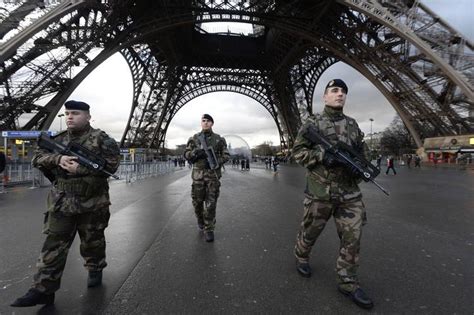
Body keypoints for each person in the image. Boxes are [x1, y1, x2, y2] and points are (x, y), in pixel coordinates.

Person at [11, 100, 120, 307]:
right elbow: (37, 158)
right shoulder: (57, 139)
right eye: (68, 113)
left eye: (76, 113)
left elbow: (111, 167)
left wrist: (80, 170)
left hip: (93, 203)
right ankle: (43, 289)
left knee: (93, 242)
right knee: (53, 246)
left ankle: (95, 267)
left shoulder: (102, 140)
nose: (70, 117)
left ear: (88, 116)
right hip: (62, 202)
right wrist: (58, 159)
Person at [292, 79, 374, 309]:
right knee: (310, 232)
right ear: (325, 97)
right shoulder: (312, 123)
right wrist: (321, 156)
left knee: (352, 239)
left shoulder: (353, 125)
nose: (340, 94)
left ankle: (347, 281)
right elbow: (297, 151)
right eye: (334, 91)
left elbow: (362, 154)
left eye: (343, 92)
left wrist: (360, 169)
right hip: (320, 191)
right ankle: (301, 255)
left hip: (349, 193)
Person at [183, 114, 229, 242]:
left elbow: (226, 155)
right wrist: (194, 154)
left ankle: (209, 228)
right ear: (201, 123)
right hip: (198, 177)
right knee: (197, 203)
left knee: (211, 204)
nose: (206, 123)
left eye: (208, 121)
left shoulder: (219, 139)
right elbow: (186, 154)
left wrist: (215, 161)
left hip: (212, 176)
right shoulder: (194, 138)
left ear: (212, 123)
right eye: (203, 121)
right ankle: (200, 220)